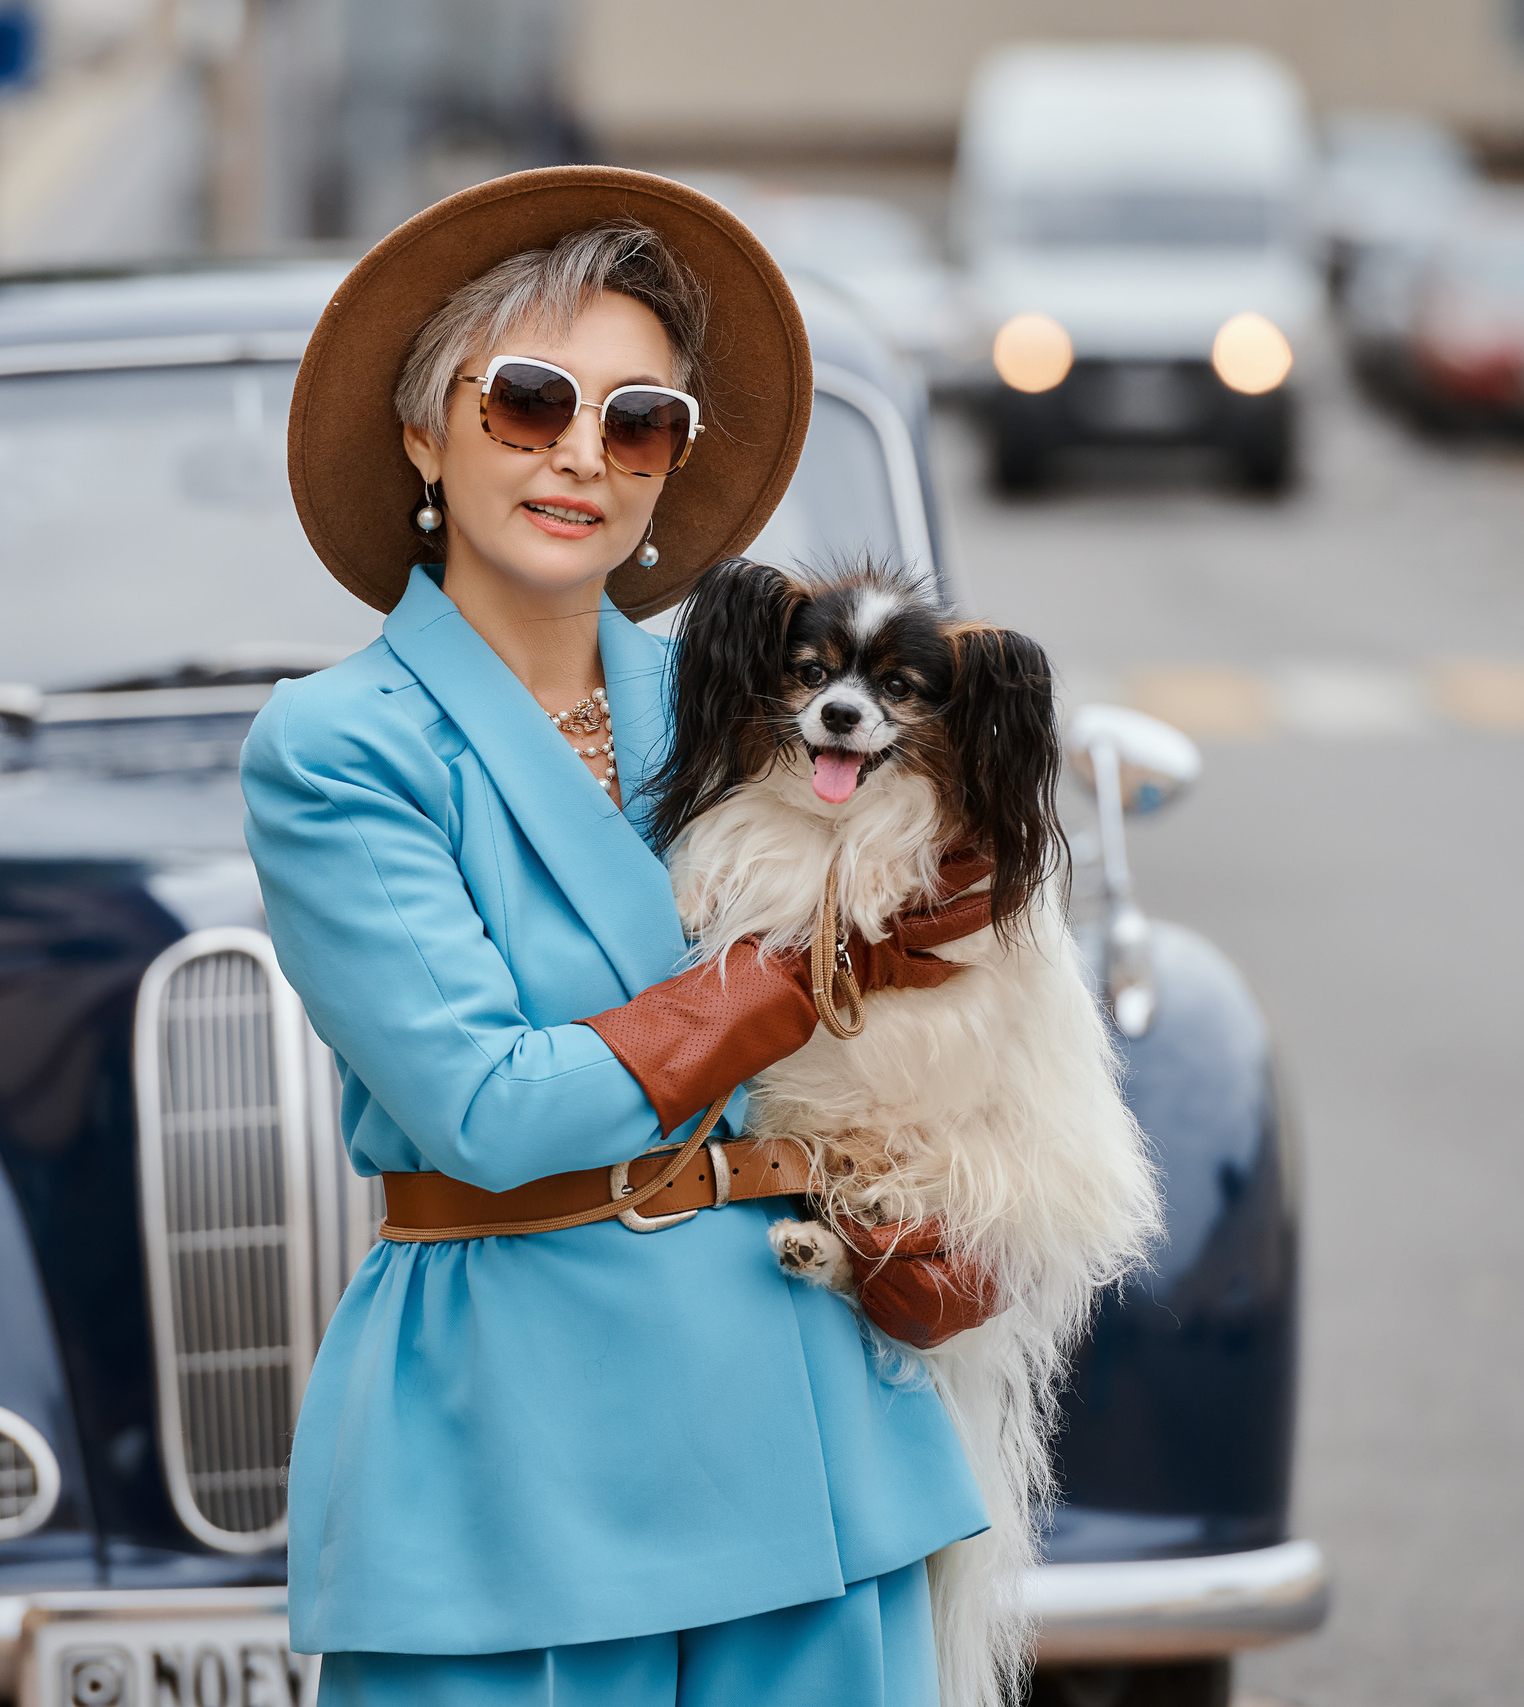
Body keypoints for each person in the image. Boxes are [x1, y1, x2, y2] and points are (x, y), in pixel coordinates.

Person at [242, 167, 993, 1707]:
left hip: (809, 1418)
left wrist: (963, 1176)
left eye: (638, 421)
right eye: (530, 402)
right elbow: (487, 1109)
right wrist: (804, 976)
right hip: (515, 1453)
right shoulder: (339, 747)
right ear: (424, 430)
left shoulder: (770, 710)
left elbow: (932, 1016)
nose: (582, 453)